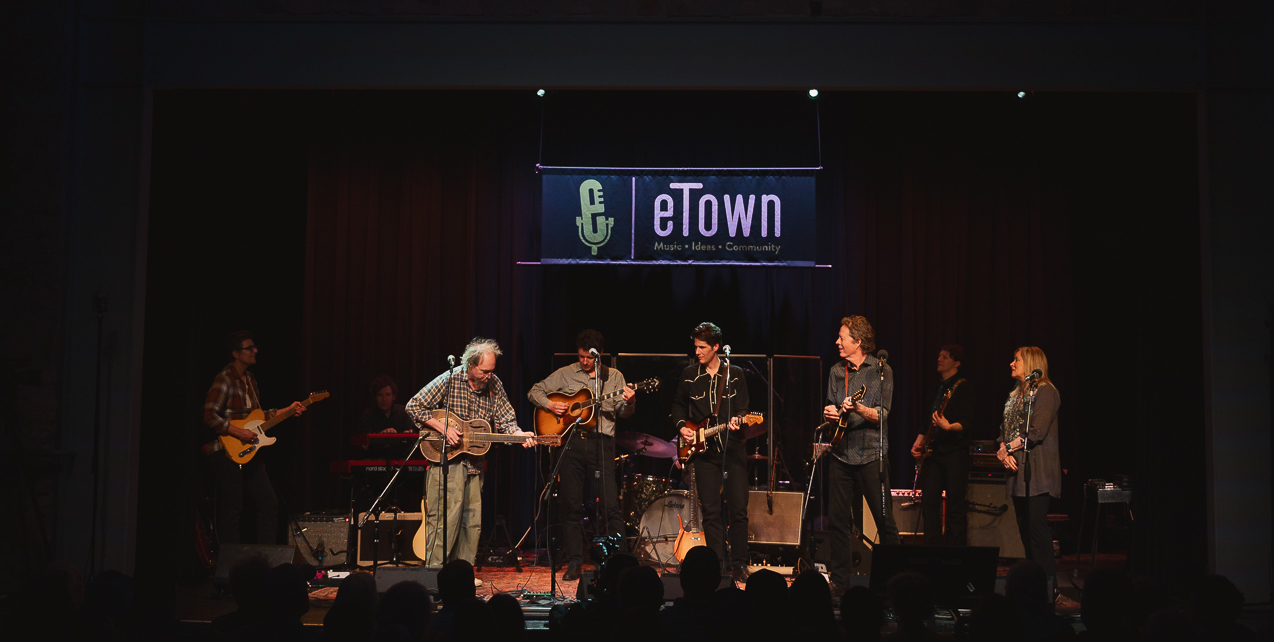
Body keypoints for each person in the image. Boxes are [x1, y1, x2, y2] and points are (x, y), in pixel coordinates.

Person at [405, 337, 536, 568]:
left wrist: (519, 434)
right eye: (485, 371)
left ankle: (461, 576)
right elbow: (414, 406)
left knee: (471, 524)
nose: (489, 376)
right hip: (446, 462)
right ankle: (434, 576)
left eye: (492, 371)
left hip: (475, 464)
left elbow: (507, 420)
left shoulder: (494, 384)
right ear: (471, 366)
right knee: (444, 522)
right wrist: (442, 427)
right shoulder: (450, 379)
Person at [528, 329, 637, 581]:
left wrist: (630, 402)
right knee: (570, 505)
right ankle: (575, 561)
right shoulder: (566, 373)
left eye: (589, 358)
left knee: (610, 506)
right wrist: (550, 404)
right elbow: (535, 390)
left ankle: (620, 560)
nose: (584, 362)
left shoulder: (614, 376)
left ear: (598, 356)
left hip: (602, 444)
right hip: (572, 444)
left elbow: (623, 412)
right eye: (581, 357)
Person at [203, 330, 306, 544]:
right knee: (233, 507)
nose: (255, 350)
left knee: (269, 502)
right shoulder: (225, 378)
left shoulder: (250, 380)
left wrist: (288, 410)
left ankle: (264, 558)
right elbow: (209, 415)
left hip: (249, 450)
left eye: (254, 347)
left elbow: (259, 417)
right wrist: (239, 432)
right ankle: (229, 564)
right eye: (249, 348)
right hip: (227, 451)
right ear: (236, 354)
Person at [824, 316, 899, 596]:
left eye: (842, 337)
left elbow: (882, 414)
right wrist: (830, 413)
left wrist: (857, 409)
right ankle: (840, 583)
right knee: (838, 522)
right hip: (841, 454)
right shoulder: (835, 371)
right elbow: (832, 408)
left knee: (885, 522)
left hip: (871, 455)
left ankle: (894, 581)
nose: (837, 342)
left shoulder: (882, 370)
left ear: (858, 341)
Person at [671, 322, 751, 582]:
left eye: (702, 347)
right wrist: (682, 427)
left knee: (738, 511)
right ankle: (716, 564)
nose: (698, 352)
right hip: (703, 453)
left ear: (717, 347)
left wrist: (739, 421)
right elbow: (678, 406)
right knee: (712, 512)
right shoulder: (689, 374)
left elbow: (742, 409)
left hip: (733, 451)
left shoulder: (735, 374)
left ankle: (739, 564)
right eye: (695, 347)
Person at [995, 346, 1061, 592]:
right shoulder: (1014, 396)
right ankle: (1035, 588)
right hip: (1017, 473)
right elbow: (1002, 431)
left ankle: (1049, 588)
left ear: (1032, 362)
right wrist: (1002, 449)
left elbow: (1037, 431)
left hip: (1038, 471)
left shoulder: (1046, 392)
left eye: (1017, 360)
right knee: (1024, 531)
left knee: (1036, 530)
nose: (1012, 363)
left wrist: (1007, 449)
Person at [909, 344, 973, 545]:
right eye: (939, 356)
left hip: (955, 453)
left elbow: (968, 423)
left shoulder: (964, 387)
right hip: (934, 453)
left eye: (945, 357)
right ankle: (932, 551)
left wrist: (948, 426)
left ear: (956, 363)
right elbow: (927, 420)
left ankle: (956, 555)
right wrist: (920, 440)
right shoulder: (937, 388)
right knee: (928, 503)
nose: (939, 359)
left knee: (955, 506)